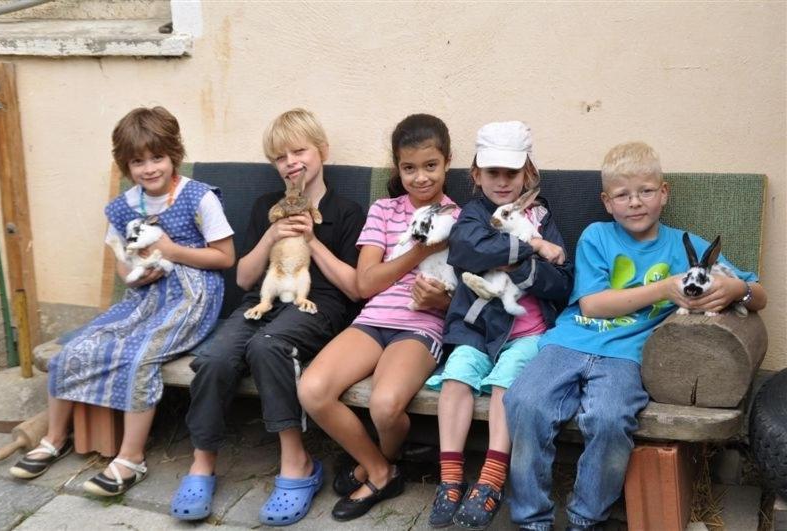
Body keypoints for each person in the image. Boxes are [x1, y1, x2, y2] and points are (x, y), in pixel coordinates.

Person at [504, 141, 767, 530]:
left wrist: (736, 291)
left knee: (611, 419)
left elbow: (757, 293)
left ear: (664, 194)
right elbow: (593, 304)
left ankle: (586, 518)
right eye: (623, 195)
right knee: (524, 402)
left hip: (628, 357)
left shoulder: (687, 246)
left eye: (645, 191)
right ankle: (531, 520)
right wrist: (664, 289)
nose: (635, 202)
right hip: (570, 342)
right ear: (607, 202)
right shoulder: (597, 235)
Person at [10, 106, 235, 497]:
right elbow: (120, 264)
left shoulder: (199, 198)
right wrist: (138, 272)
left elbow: (225, 258)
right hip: (145, 296)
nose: (149, 168)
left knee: (139, 356)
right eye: (138, 161)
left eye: (157, 158)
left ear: (173, 156)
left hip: (192, 297)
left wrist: (171, 250)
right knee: (75, 348)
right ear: (125, 164)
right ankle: (54, 437)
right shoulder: (123, 207)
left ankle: (131, 459)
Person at [170, 108, 366, 525]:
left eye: (300, 150)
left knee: (269, 345)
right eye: (281, 156)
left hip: (321, 305)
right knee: (215, 357)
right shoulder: (266, 207)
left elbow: (354, 289)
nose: (291, 162)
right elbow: (243, 278)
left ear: (322, 152)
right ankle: (202, 463)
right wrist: (271, 235)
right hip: (265, 298)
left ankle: (298, 464)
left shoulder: (346, 212)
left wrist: (311, 239)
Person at [297, 113, 460, 521]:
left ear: (447, 162)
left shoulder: (462, 220)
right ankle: (382, 470)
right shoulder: (384, 211)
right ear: (397, 168)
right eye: (409, 168)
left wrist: (440, 300)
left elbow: (464, 293)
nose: (420, 177)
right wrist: (418, 254)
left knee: (386, 405)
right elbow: (367, 283)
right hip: (372, 319)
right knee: (313, 389)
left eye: (430, 166)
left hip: (421, 326)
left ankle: (374, 465)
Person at [425, 121, 574, 529]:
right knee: (456, 378)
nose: (503, 182)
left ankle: (491, 479)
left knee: (505, 385)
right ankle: (450, 477)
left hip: (527, 330)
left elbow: (562, 280)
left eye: (512, 172)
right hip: (475, 328)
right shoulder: (473, 214)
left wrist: (521, 264)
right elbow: (466, 249)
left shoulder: (542, 215)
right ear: (476, 175)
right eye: (493, 172)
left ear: (528, 172)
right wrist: (534, 248)